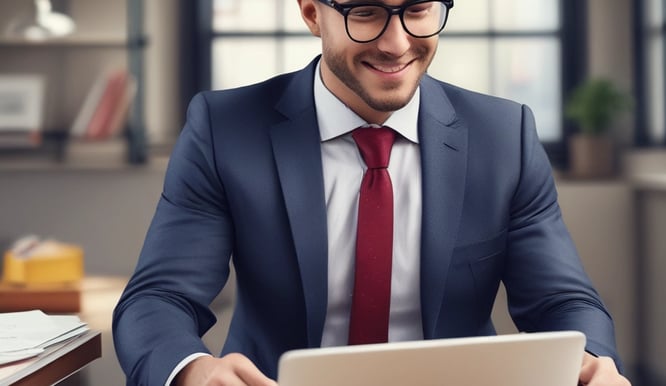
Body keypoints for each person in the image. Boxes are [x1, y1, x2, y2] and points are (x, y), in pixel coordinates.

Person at [113, 1, 631, 385]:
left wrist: (594, 364)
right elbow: (159, 298)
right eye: (365, 12)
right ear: (312, 13)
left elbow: (563, 301)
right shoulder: (225, 129)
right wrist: (192, 372)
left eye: (418, 10)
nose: (396, 42)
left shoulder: (505, 136)